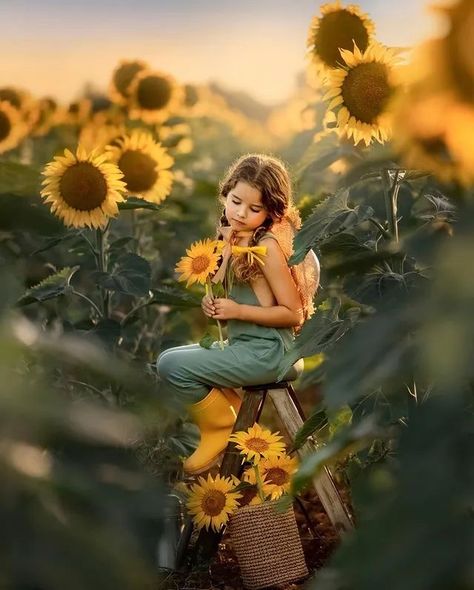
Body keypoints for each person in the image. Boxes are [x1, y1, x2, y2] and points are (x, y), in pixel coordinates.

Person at [157, 153, 320, 475]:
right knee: (169, 357)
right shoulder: (232, 235)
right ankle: (226, 408)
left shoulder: (268, 247)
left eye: (254, 209)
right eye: (235, 202)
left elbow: (294, 314)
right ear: (226, 194)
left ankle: (219, 426)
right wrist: (216, 303)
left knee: (171, 365)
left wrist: (239, 310)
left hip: (272, 352)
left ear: (271, 211)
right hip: (246, 345)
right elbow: (219, 284)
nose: (241, 213)